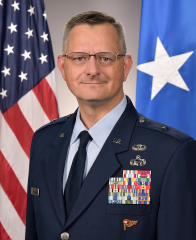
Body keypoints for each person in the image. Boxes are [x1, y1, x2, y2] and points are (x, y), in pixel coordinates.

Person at [25, 11, 196, 240]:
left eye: (105, 58)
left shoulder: (170, 152)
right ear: (63, 66)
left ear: (125, 66)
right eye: (79, 58)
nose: (92, 70)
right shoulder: (44, 141)